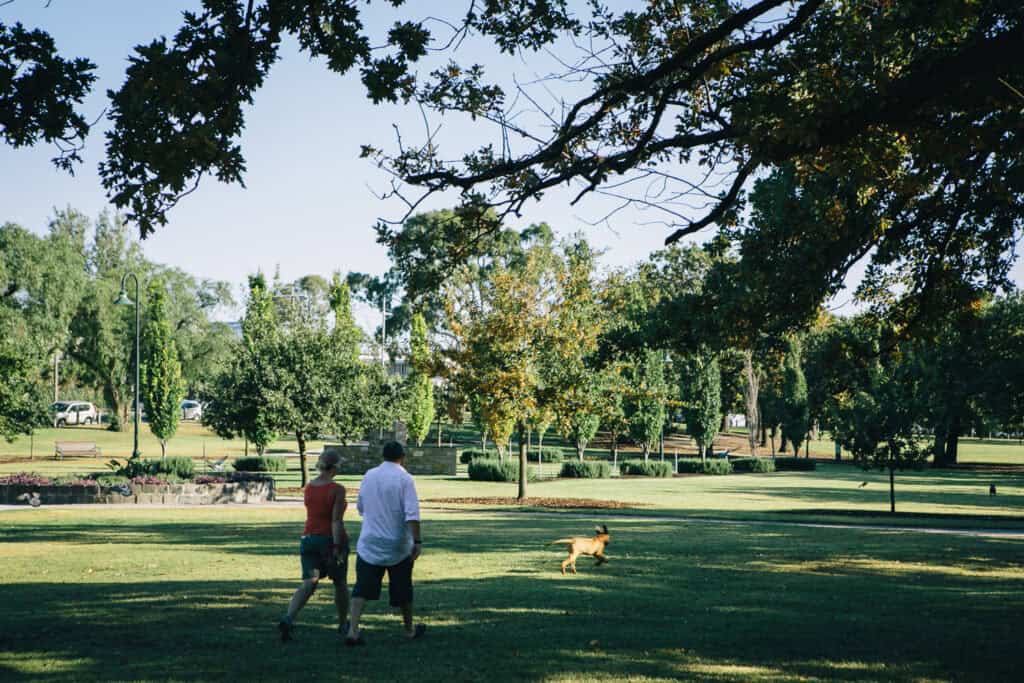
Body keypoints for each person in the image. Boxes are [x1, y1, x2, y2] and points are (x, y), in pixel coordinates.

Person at [345, 441, 425, 645]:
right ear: (402, 456)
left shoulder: (369, 475)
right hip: (397, 544)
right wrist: (417, 541)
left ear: (383, 455)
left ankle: (353, 629)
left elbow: (361, 507)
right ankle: (408, 629)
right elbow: (412, 515)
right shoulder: (405, 479)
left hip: (370, 541)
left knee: (361, 588)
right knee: (403, 589)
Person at [278, 450, 349, 641]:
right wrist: (336, 546)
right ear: (334, 467)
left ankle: (289, 618)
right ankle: (343, 623)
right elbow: (335, 521)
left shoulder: (309, 487)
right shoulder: (337, 489)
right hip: (328, 539)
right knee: (340, 582)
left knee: (309, 582)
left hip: (308, 538)